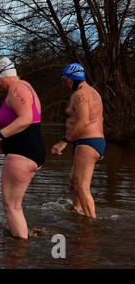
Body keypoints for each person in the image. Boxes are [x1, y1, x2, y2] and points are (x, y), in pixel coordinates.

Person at [0, 57, 46, 240]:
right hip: (29, 151)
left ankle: (19, 252)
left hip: (23, 153)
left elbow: (26, 118)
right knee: (14, 205)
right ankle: (21, 239)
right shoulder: (26, 87)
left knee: (11, 206)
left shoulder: (17, 88)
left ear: (0, 77)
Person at [51, 63, 105, 218]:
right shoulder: (93, 92)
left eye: (64, 79)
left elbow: (83, 121)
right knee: (74, 182)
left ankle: (91, 226)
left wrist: (63, 142)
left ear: (72, 78)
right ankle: (77, 212)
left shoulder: (79, 95)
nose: (64, 83)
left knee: (82, 187)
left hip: (88, 142)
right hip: (91, 142)